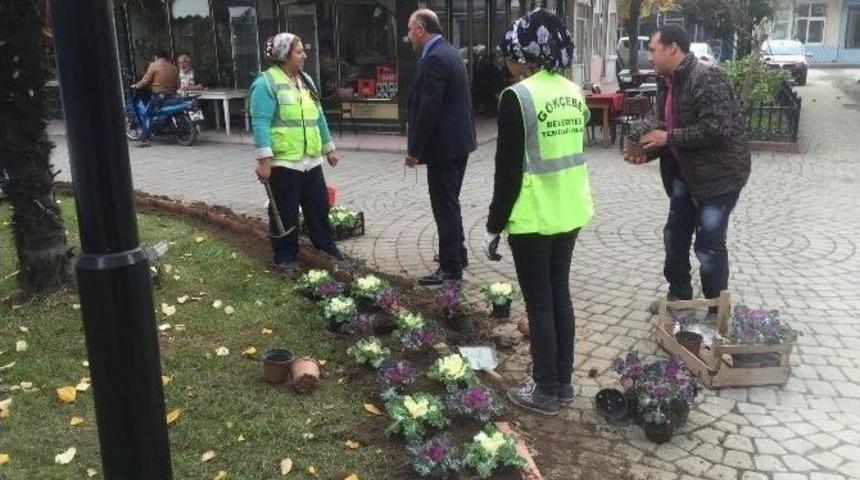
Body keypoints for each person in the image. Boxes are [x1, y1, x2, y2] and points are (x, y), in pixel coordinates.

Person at [486, 8, 593, 416]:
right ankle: (562, 382)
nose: (507, 65)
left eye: (509, 56)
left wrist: (494, 226)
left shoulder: (517, 97)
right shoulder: (573, 91)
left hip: (534, 215)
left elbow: (508, 171)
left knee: (540, 304)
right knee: (559, 294)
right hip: (571, 209)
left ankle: (545, 389)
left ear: (523, 54)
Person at [624, 25, 750, 313]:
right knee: (675, 235)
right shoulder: (665, 81)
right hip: (686, 174)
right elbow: (667, 127)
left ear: (673, 48)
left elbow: (716, 129)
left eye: (653, 50)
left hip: (720, 176)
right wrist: (650, 151)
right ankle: (680, 297)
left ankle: (717, 310)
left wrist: (667, 138)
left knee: (708, 245)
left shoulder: (707, 77)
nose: (650, 57)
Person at [250, 33, 343, 274]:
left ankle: (326, 247)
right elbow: (260, 123)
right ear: (284, 55)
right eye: (299, 51)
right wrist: (264, 161)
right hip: (284, 161)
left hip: (310, 160)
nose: (304, 55)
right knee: (285, 211)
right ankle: (285, 256)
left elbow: (318, 115)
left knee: (319, 207)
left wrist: (328, 147)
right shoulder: (266, 83)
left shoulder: (306, 81)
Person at [405, 9, 477, 286]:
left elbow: (428, 109)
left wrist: (414, 149)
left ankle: (450, 269)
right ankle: (457, 254)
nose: (408, 35)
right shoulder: (449, 52)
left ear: (421, 29)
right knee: (451, 201)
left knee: (444, 206)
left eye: (410, 30)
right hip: (457, 145)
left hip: (445, 149)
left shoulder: (435, 58)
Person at [132, 49, 179, 147]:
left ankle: (146, 140)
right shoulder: (173, 67)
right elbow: (178, 83)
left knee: (147, 115)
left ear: (156, 56)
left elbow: (146, 80)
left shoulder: (153, 65)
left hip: (159, 95)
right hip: (172, 95)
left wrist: (136, 86)